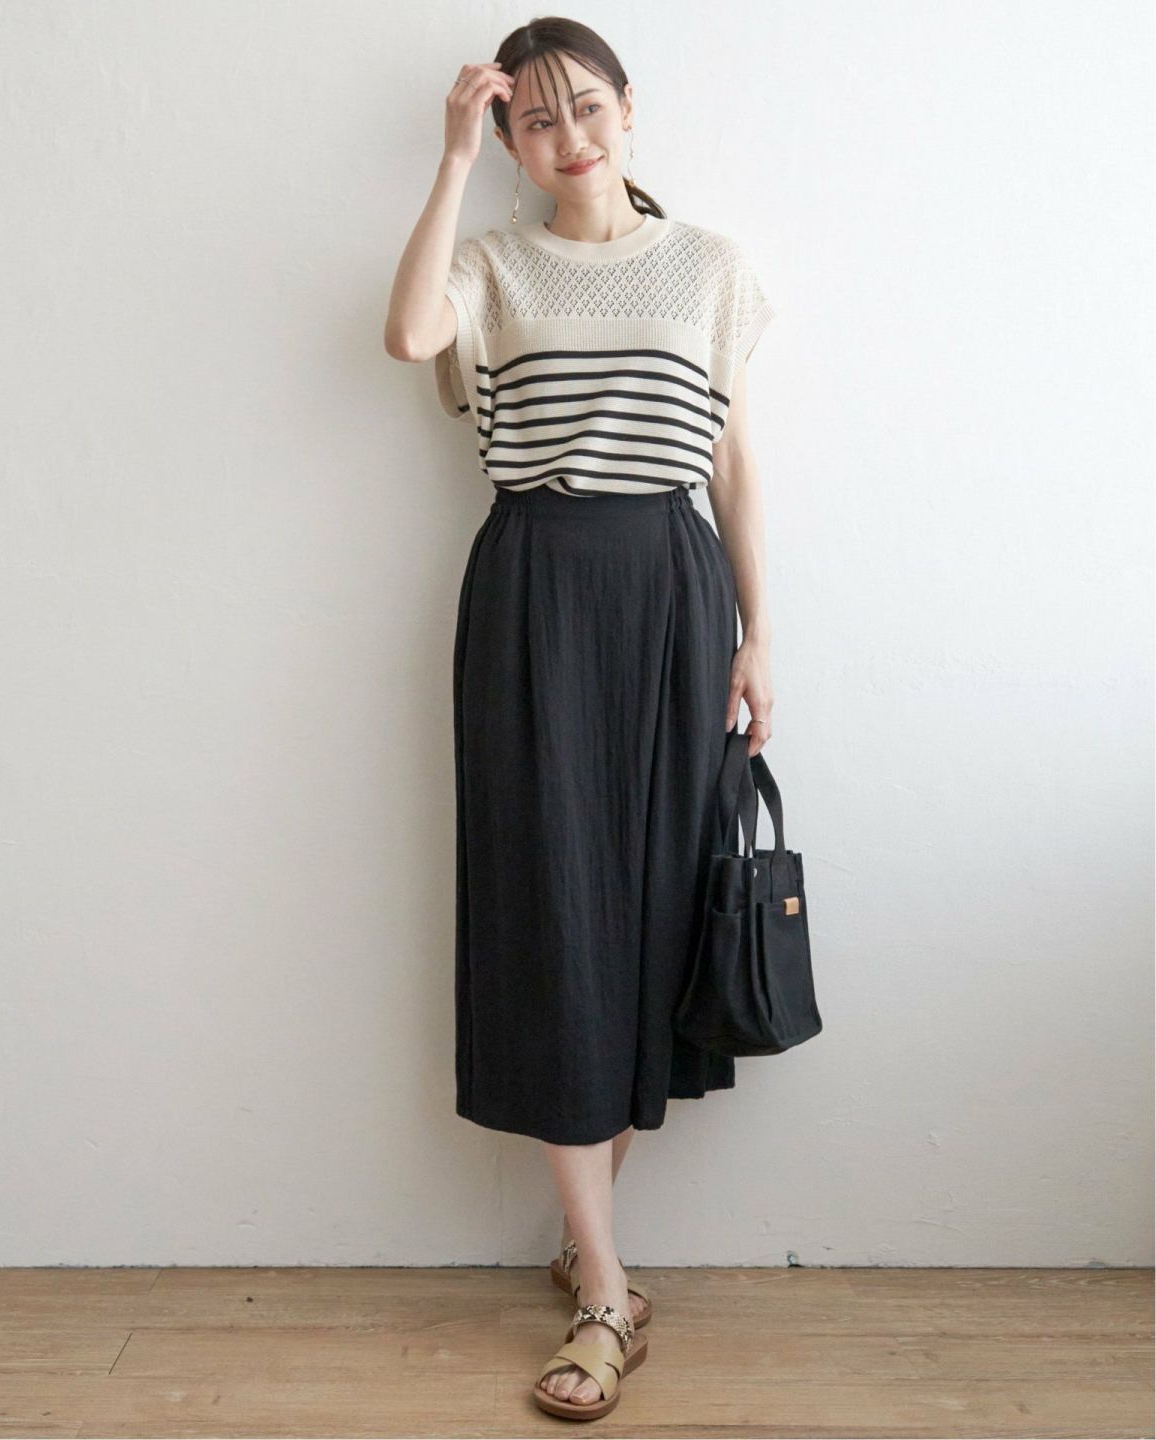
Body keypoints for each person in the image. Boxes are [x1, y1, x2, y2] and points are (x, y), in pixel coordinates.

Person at [384, 18, 777, 1422]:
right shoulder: (492, 263)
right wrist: (449, 161)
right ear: (509, 141)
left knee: (660, 907)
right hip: (537, 586)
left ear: (630, 109)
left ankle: (587, 1248)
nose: (571, 138)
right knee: (552, 907)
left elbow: (731, 458)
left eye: (589, 108)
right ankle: (607, 1290)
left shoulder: (709, 267)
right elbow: (409, 335)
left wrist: (761, 634)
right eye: (537, 120)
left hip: (675, 591)